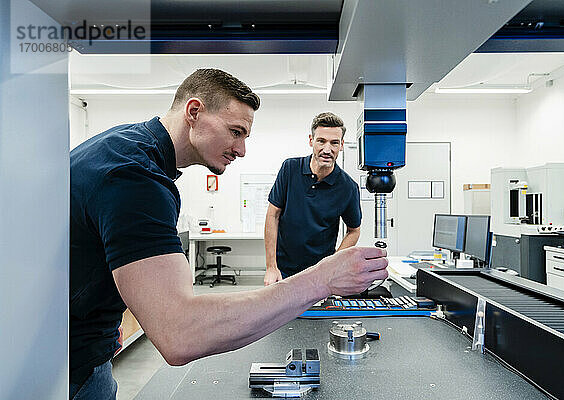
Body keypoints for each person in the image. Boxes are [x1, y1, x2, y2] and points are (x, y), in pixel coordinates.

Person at [69, 69, 388, 400]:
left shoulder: (127, 148)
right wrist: (324, 279)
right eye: (235, 132)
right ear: (194, 112)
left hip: (79, 347)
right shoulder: (135, 177)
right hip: (70, 367)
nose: (241, 149)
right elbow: (179, 333)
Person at [263, 112, 362, 286]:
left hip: (320, 275)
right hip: (283, 271)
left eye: (334, 143)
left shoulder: (348, 187)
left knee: (316, 314)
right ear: (311, 141)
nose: (327, 149)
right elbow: (273, 215)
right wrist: (271, 266)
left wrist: (332, 265)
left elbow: (354, 230)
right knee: (281, 314)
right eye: (321, 141)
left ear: (342, 145)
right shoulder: (290, 169)